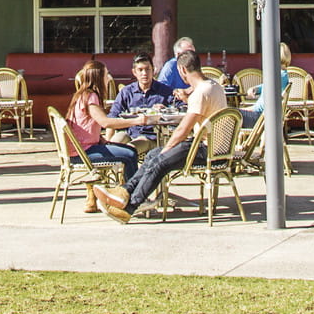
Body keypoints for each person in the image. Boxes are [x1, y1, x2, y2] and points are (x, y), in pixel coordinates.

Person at [101, 47, 227, 224]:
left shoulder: (200, 93)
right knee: (152, 155)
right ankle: (125, 191)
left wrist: (167, 150)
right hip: (214, 147)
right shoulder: (213, 86)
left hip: (206, 150)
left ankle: (129, 207)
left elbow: (183, 130)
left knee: (160, 161)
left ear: (183, 70)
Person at [65, 58, 139, 211]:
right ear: (99, 78)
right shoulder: (91, 97)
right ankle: (132, 199)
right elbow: (105, 122)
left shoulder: (80, 95)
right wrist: (136, 121)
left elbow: (85, 126)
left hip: (80, 149)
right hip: (84, 153)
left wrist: (101, 139)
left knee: (125, 150)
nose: (108, 78)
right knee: (130, 154)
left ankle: (123, 194)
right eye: (106, 75)